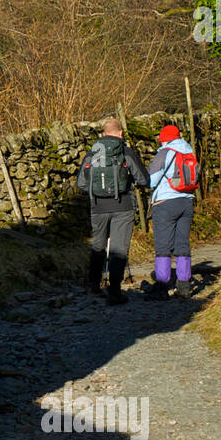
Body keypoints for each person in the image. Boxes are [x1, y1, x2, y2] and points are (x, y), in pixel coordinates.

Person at [76, 118, 147, 305]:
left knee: (98, 245)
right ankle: (114, 291)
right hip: (122, 206)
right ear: (120, 133)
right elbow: (143, 179)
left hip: (98, 207)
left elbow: (81, 183)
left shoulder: (91, 154)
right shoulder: (126, 152)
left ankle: (93, 285)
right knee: (119, 248)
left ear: (103, 134)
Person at [146, 124, 197, 299]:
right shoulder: (188, 152)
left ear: (164, 139)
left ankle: (161, 288)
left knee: (163, 247)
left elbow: (151, 181)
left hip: (166, 203)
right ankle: (184, 287)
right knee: (182, 244)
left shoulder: (165, 153)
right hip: (187, 202)